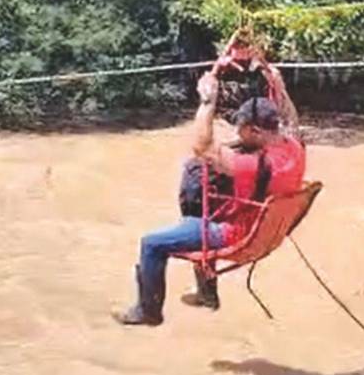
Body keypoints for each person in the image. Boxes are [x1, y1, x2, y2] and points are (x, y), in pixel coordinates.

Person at [113, 64, 306, 326]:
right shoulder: (294, 147)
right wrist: (278, 85)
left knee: (152, 243)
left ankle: (148, 312)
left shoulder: (254, 166)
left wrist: (207, 100)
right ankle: (206, 293)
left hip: (235, 233)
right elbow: (290, 116)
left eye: (241, 129)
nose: (238, 134)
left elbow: (201, 147)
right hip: (267, 229)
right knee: (201, 190)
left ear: (256, 131)